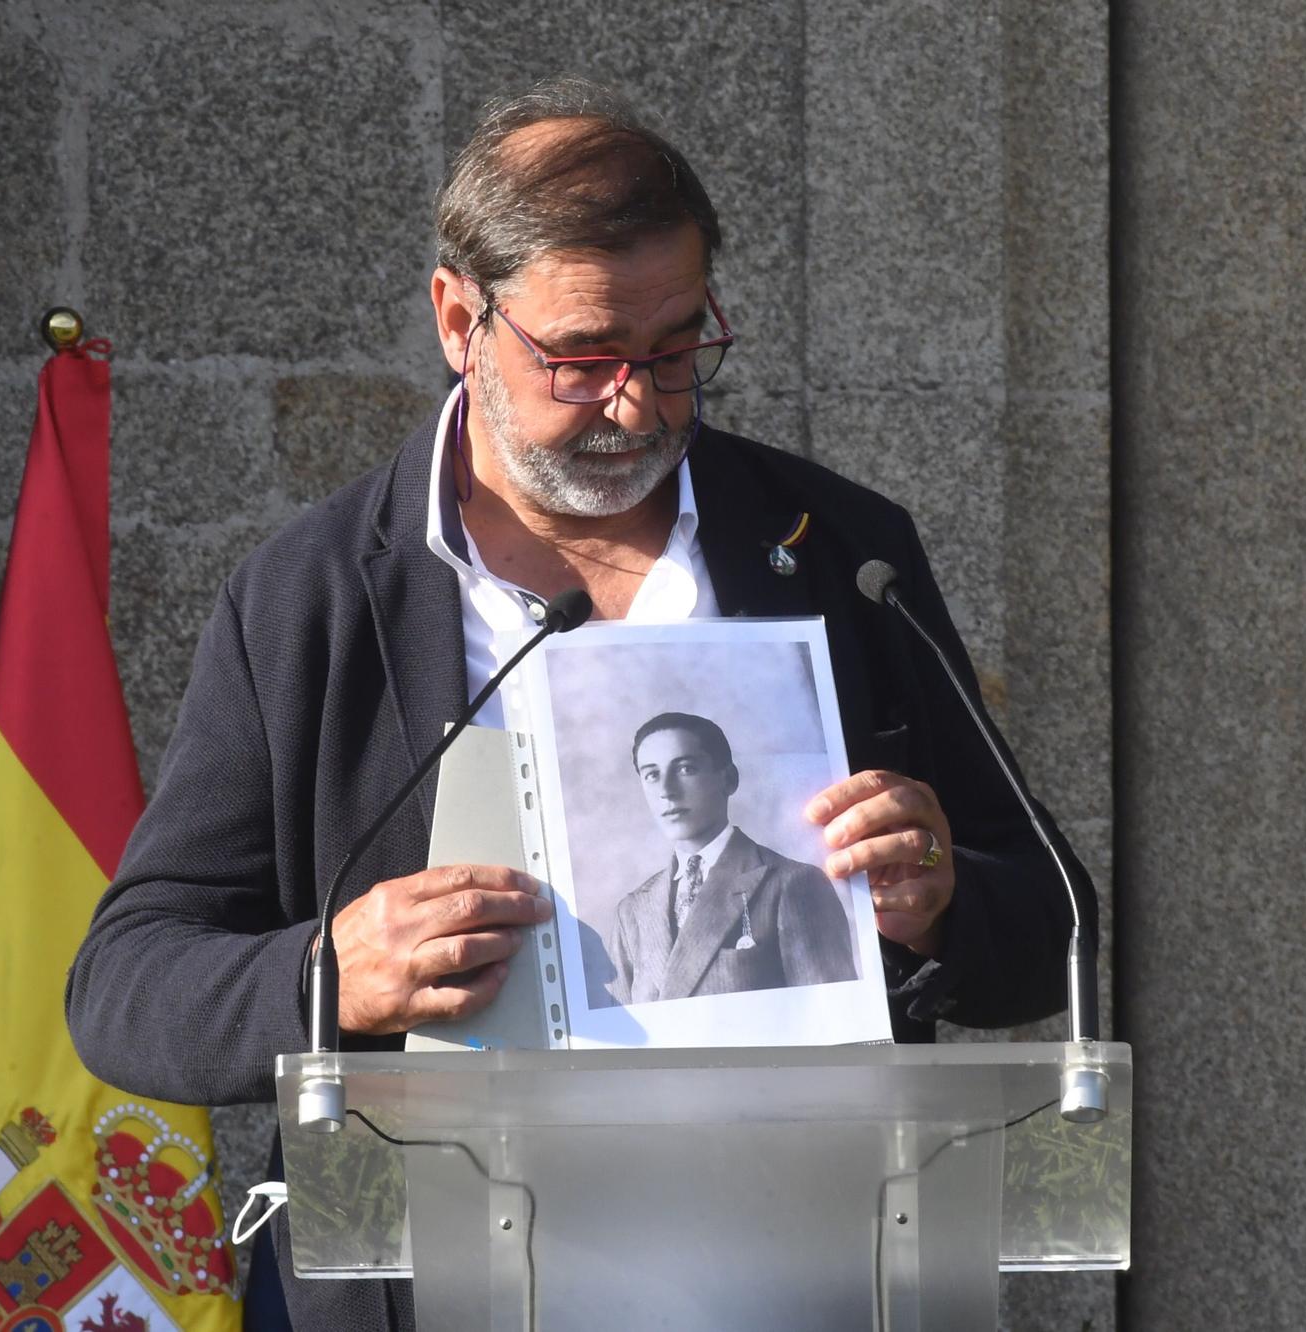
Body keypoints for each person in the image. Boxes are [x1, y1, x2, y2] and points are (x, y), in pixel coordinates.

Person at [67, 76, 1088, 1332]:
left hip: (795, 1266)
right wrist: (332, 974)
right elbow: (125, 984)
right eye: (584, 357)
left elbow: (1050, 917)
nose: (636, 404)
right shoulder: (312, 593)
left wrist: (937, 898)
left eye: (675, 350)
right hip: (426, 1278)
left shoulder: (837, 550)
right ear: (459, 319)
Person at [601, 712, 856, 1007]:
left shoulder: (792, 884)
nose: (666, 792)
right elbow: (619, 1028)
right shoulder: (633, 910)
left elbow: (833, 1015)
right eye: (652, 775)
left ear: (728, 779)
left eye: (685, 769)